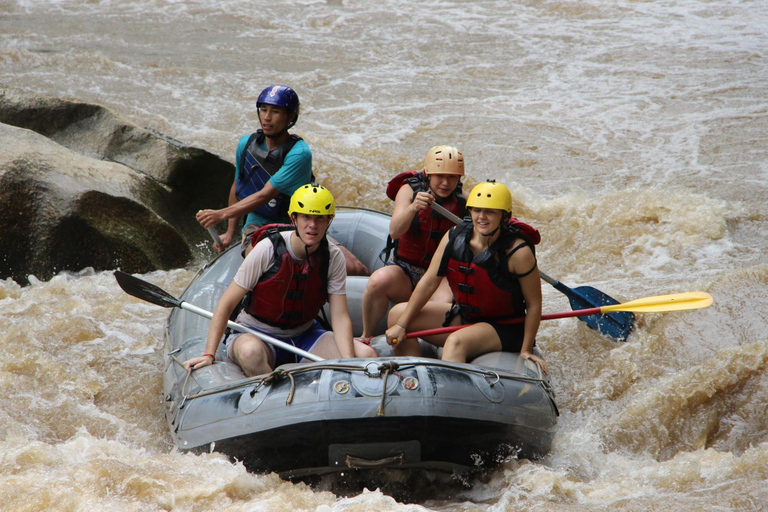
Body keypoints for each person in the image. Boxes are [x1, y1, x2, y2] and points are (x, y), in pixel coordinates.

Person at [184, 184, 377, 377]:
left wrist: (351, 362)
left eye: (320, 218)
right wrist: (209, 354)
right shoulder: (267, 250)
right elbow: (226, 304)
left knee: (366, 354)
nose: (313, 225)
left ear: (329, 221)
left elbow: (340, 316)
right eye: (306, 217)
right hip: (256, 334)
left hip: (305, 336)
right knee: (250, 353)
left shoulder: (332, 256)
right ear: (294, 219)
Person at [195, 84, 368, 275]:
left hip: (299, 223)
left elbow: (265, 195)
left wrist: (221, 214)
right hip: (258, 223)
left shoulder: (299, 153)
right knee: (264, 263)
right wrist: (229, 233)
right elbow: (238, 186)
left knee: (355, 268)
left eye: (275, 112)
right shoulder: (246, 144)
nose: (267, 118)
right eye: (263, 110)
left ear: (290, 117)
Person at [384, 180, 547, 373]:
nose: (482, 217)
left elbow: (534, 303)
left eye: (490, 212)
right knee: (397, 315)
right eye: (477, 210)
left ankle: (448, 394)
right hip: (465, 315)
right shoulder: (454, 236)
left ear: (505, 216)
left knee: (456, 341)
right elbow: (429, 282)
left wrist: (526, 350)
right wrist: (402, 324)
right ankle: (413, 378)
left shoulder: (518, 251)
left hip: (504, 327)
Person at [358, 145, 468, 340]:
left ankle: (433, 346)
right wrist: (412, 208)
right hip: (406, 270)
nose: (445, 182)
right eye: (439, 176)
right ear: (428, 174)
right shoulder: (408, 190)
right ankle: (367, 335)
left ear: (459, 179)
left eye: (452, 177)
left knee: (443, 302)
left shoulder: (464, 203)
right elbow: (395, 231)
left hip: (440, 276)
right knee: (378, 281)